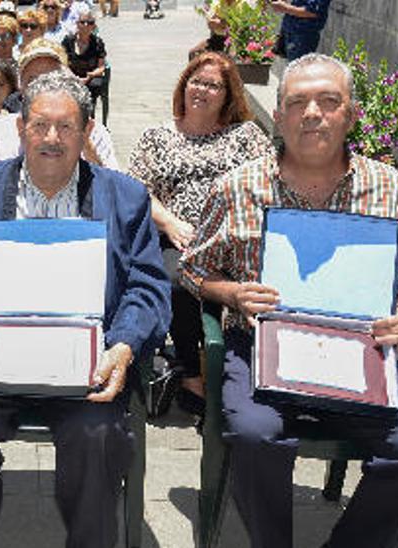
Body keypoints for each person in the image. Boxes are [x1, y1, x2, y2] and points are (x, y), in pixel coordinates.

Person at [180, 53, 398, 548]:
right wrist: (232, 293)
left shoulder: (390, 187)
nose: (312, 113)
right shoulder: (237, 186)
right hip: (263, 350)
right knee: (257, 435)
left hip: (364, 352)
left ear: (350, 115)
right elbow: (194, 267)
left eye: (329, 102)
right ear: (278, 115)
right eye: (297, 102)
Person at [0, 70, 169, 548]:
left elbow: (148, 284)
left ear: (87, 132)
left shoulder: (125, 196)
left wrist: (125, 344)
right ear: (20, 129)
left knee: (96, 431)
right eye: (39, 125)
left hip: (87, 362)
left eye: (65, 127)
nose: (51, 138)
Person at [127, 52, 271, 411]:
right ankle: (192, 373)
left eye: (213, 85)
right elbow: (137, 189)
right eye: (196, 81)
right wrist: (170, 223)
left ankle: (251, 363)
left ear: (228, 94)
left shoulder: (246, 135)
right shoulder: (157, 136)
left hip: (237, 236)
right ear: (183, 85)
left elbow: (271, 179)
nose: (202, 90)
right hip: (178, 234)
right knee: (176, 279)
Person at [0, 42, 119, 175]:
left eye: (51, 76)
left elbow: (114, 190)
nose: (42, 86)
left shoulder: (93, 132)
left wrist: (86, 147)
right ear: (21, 85)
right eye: (33, 79)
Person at [60, 10, 107, 110]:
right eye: (82, 22)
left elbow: (101, 67)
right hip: (70, 75)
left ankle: (88, 113)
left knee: (94, 85)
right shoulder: (68, 41)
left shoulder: (98, 42)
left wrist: (90, 76)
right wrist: (74, 77)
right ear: (77, 24)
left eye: (90, 23)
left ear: (94, 27)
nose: (86, 25)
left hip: (90, 76)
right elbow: (63, 64)